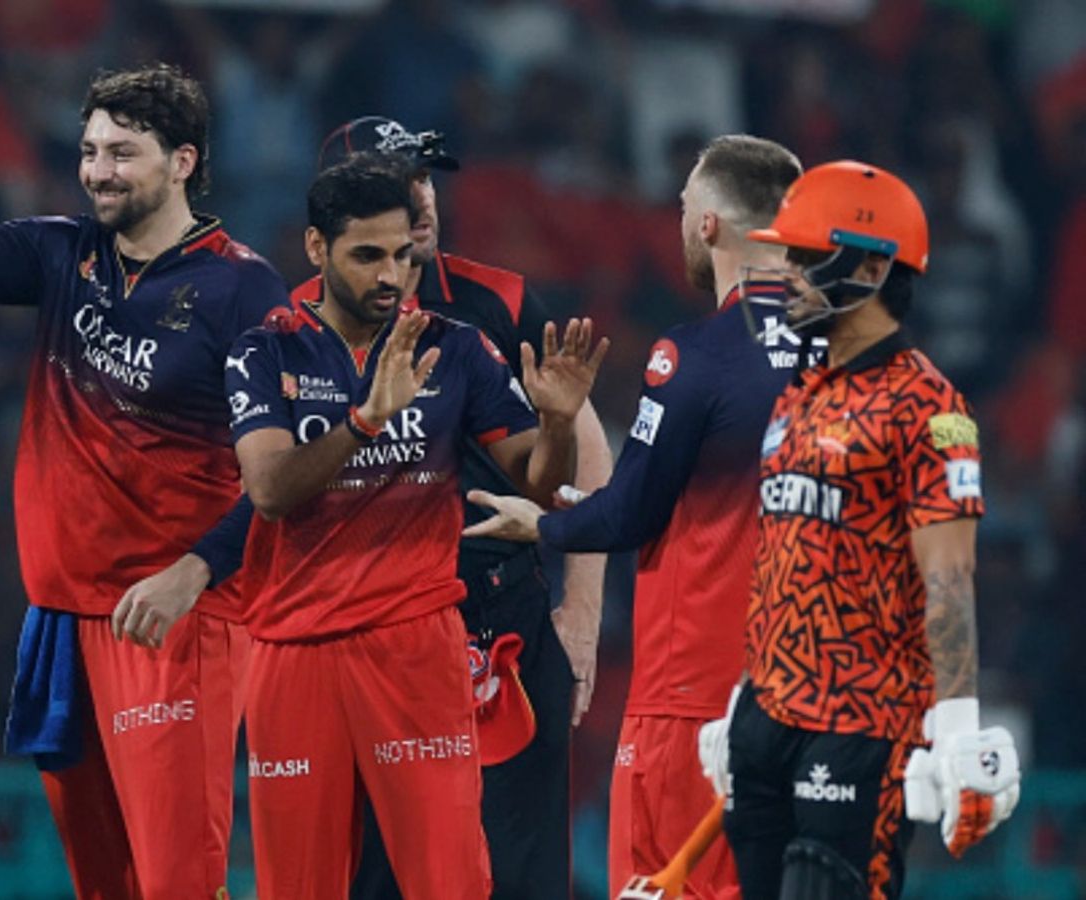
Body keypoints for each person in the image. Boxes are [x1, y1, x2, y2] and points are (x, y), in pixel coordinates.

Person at [0, 26, 290, 897]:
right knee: (101, 883)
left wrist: (196, 572)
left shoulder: (244, 290)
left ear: (184, 160)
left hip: (171, 620)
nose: (99, 171)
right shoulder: (61, 252)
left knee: (181, 881)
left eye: (123, 152)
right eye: (89, 152)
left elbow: (286, 474)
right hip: (59, 620)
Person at [227, 153, 607, 900]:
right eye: (367, 255)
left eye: (402, 255)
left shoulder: (455, 346)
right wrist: (367, 420)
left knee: (451, 882)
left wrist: (558, 424)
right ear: (316, 250)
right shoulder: (263, 350)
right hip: (294, 651)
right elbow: (270, 490)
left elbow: (537, 476)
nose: (390, 276)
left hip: (419, 649)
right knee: (299, 885)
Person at [465, 134, 805, 898]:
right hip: (812, 695)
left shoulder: (700, 355)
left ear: (711, 225)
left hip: (694, 697)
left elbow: (631, 511)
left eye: (685, 208)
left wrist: (543, 523)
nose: (681, 223)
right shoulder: (848, 353)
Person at [698, 161, 1020, 898]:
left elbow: (948, 576)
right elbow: (786, 558)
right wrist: (744, 695)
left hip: (862, 723)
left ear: (873, 266)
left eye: (808, 260)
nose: (788, 278)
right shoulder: (798, 395)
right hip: (767, 717)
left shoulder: (930, 406)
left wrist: (960, 728)